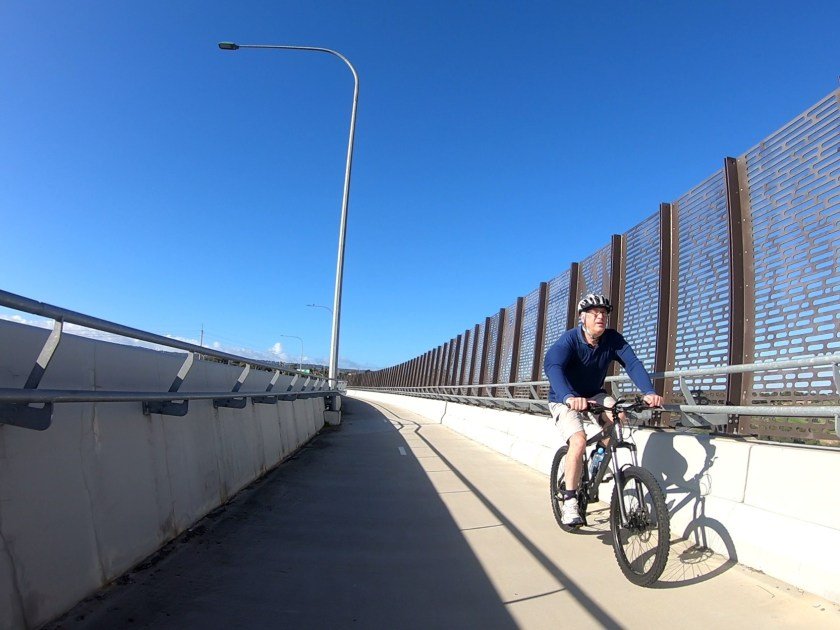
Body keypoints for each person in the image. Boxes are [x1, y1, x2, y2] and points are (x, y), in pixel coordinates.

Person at [544, 293, 663, 526]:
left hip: (595, 394)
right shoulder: (570, 340)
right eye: (594, 313)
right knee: (578, 441)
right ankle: (570, 501)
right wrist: (569, 396)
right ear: (582, 317)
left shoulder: (612, 340)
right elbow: (553, 365)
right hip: (564, 397)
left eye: (604, 313)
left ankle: (597, 459)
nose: (600, 317)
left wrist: (649, 391)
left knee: (618, 417)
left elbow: (633, 364)